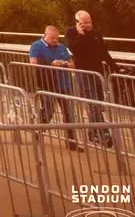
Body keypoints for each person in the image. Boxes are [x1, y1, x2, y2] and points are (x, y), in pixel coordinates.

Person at [65, 10, 117, 147]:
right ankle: (103, 132)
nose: (87, 25)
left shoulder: (96, 34)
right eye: (84, 23)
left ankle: (92, 132)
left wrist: (116, 68)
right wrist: (81, 35)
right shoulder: (71, 33)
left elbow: (104, 52)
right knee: (92, 103)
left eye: (89, 22)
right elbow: (74, 49)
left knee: (97, 104)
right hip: (84, 73)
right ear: (77, 23)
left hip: (98, 73)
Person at [29, 25, 81, 150]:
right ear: (45, 35)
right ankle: (38, 131)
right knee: (48, 110)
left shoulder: (62, 47)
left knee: (69, 113)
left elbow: (72, 64)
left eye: (57, 38)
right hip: (47, 84)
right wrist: (51, 64)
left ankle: (71, 142)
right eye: (52, 38)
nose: (55, 40)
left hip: (64, 84)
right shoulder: (36, 46)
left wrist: (66, 64)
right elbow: (33, 63)